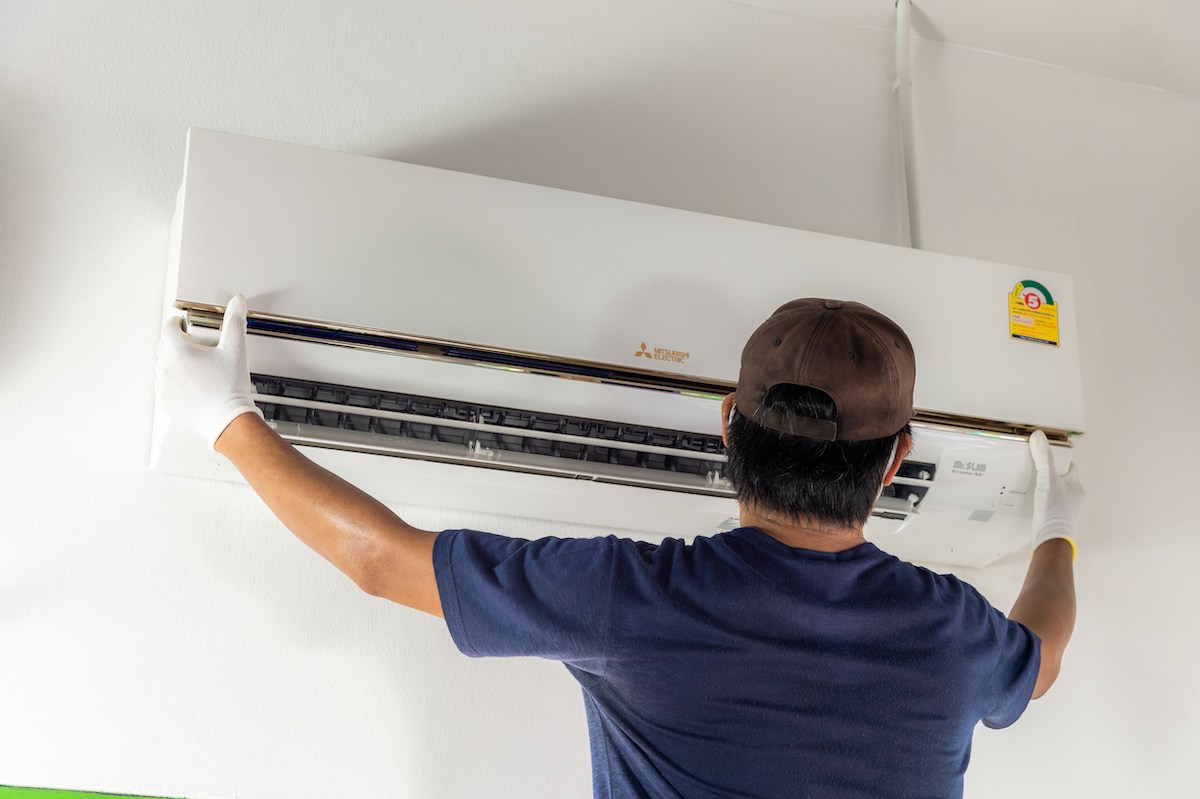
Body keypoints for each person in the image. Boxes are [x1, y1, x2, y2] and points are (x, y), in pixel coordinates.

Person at [155, 295, 1082, 799]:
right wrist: (1056, 529)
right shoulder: (953, 632)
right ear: (896, 463)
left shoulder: (639, 597)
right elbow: (1037, 657)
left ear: (728, 424)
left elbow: (384, 560)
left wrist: (226, 418)